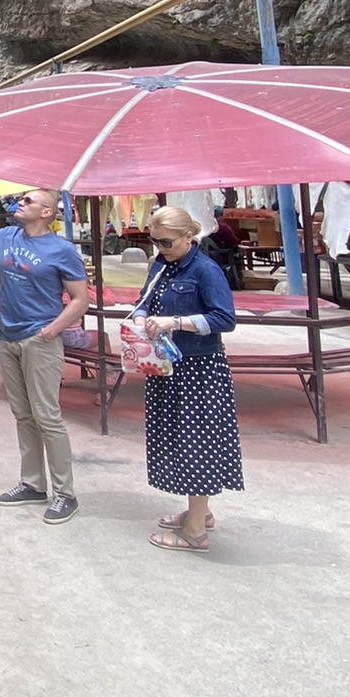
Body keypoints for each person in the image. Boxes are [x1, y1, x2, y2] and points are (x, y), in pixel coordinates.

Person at [0, 188, 89, 524]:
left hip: (39, 339)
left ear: (47, 212)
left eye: (29, 201)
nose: (20, 203)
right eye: (21, 199)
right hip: (9, 337)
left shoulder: (61, 250)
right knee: (23, 414)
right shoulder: (5, 236)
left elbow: (79, 299)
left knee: (48, 416)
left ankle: (65, 494)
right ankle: (32, 483)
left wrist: (53, 329)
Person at [130, 205, 243, 552]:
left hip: (199, 369)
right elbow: (145, 300)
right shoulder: (163, 264)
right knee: (180, 441)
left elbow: (225, 318)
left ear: (188, 237)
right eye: (154, 241)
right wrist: (142, 317)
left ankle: (195, 532)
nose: (159, 248)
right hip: (168, 365)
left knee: (197, 443)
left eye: (166, 242)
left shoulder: (206, 270)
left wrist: (175, 322)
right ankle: (199, 512)